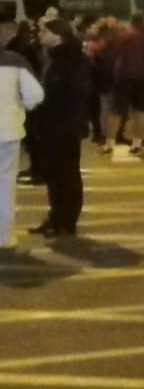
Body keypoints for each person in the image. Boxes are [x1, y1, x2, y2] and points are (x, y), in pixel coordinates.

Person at [26, 21, 94, 240]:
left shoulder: (72, 60)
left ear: (58, 36)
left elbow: (79, 95)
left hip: (64, 129)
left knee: (67, 175)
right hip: (51, 127)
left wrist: (73, 125)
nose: (40, 34)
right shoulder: (54, 57)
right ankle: (56, 218)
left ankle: (66, 220)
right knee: (55, 175)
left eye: (45, 31)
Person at [0, 22, 46, 252]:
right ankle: (3, 236)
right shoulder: (15, 61)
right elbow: (36, 94)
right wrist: (21, 106)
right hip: (8, 132)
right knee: (5, 185)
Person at [105, 12, 144, 159]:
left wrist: (110, 76)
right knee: (140, 111)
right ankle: (137, 145)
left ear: (131, 22)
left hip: (123, 78)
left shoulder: (123, 36)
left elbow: (111, 56)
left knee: (116, 111)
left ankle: (109, 143)